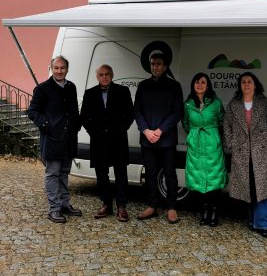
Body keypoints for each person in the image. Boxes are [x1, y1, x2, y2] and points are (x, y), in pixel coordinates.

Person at [224, 72, 267, 237]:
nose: (246, 84)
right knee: (250, 188)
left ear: (255, 85)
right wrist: (231, 142)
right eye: (243, 82)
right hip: (242, 153)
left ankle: (264, 224)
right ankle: (253, 220)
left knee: (263, 188)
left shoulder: (264, 103)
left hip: (261, 152)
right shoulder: (234, 105)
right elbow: (226, 125)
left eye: (249, 82)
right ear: (240, 85)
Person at [28, 56, 82, 223]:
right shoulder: (43, 88)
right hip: (52, 138)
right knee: (52, 173)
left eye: (62, 68)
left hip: (69, 139)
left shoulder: (71, 87)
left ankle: (65, 204)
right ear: (51, 69)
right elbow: (32, 111)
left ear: (67, 69)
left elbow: (73, 110)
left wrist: (76, 124)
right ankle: (54, 209)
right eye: (56, 68)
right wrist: (46, 124)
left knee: (65, 173)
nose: (59, 71)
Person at [134, 52, 184, 224]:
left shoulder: (174, 86)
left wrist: (160, 130)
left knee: (169, 174)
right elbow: (137, 111)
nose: (155, 67)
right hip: (147, 139)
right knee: (150, 174)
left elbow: (177, 112)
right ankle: (152, 206)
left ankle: (171, 207)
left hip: (166, 139)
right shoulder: (143, 86)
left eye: (158, 64)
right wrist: (146, 130)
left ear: (165, 66)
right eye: (153, 63)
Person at [80, 64, 134, 222]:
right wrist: (94, 132)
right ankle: (106, 204)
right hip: (99, 141)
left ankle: (122, 206)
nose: (104, 77)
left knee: (121, 174)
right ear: (97, 77)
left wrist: (121, 128)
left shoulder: (123, 91)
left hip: (118, 139)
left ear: (112, 75)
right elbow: (84, 116)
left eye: (107, 74)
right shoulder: (90, 93)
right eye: (101, 74)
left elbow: (130, 113)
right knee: (101, 174)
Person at [182, 72, 227, 227]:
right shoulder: (188, 104)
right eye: (197, 82)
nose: (199, 85)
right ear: (193, 85)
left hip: (212, 145)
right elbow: (186, 124)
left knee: (213, 178)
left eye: (203, 82)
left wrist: (214, 137)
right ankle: (205, 211)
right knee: (199, 178)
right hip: (196, 145)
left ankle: (214, 212)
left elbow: (222, 122)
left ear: (208, 85)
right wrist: (194, 137)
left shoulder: (216, 103)